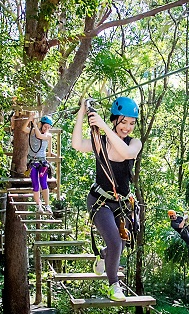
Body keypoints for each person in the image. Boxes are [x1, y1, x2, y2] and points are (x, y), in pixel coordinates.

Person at [72, 96, 142, 302]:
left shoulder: (134, 143)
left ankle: (103, 255)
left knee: (120, 240)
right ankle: (113, 286)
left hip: (121, 203)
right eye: (123, 122)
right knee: (115, 242)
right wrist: (82, 112)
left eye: (131, 123)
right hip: (99, 201)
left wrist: (103, 125)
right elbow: (76, 144)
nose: (127, 127)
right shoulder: (99, 142)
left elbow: (127, 153)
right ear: (114, 120)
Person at [23, 114, 53, 214]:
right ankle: (38, 205)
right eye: (45, 127)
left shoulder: (48, 135)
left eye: (48, 127)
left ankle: (47, 206)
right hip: (32, 162)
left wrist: (34, 124)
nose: (46, 129)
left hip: (42, 163)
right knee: (35, 185)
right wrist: (29, 120)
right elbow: (24, 129)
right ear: (41, 125)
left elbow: (40, 136)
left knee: (43, 183)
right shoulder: (32, 131)